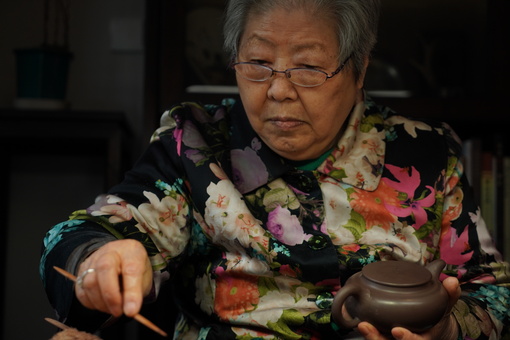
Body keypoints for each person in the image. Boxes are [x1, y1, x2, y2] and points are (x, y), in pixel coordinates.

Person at [40, 0, 510, 339]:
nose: (279, 91)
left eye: (307, 67)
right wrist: (97, 257)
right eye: (258, 63)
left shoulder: (425, 152)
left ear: (359, 70)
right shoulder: (196, 143)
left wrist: (448, 330)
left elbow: (493, 295)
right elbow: (88, 232)